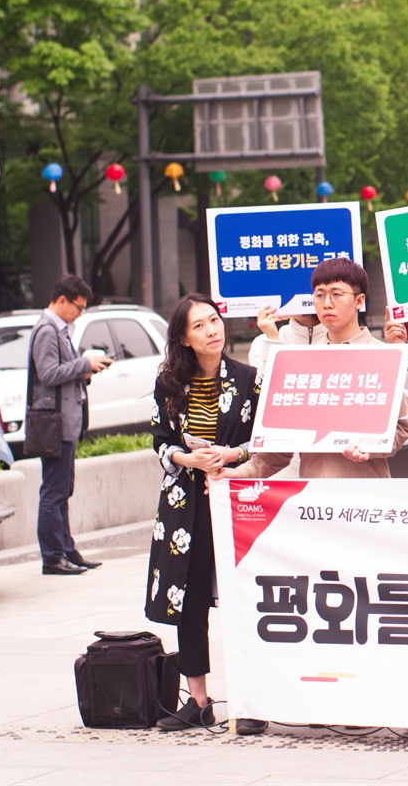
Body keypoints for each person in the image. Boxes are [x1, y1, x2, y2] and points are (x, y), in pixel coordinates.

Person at [146, 293, 265, 734]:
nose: (211, 330)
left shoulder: (250, 379)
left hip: (237, 499)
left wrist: (232, 453)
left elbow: (269, 439)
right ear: (183, 337)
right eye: (198, 326)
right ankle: (198, 702)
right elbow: (159, 440)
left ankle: (251, 701)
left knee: (244, 599)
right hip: (183, 507)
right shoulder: (169, 384)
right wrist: (185, 459)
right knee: (190, 601)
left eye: (213, 320)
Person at [220, 258, 408, 481]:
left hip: (365, 499)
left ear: (359, 301)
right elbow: (279, 448)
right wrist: (237, 473)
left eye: (336, 294)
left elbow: (401, 429)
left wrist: (368, 448)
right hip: (311, 502)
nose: (326, 303)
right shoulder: (303, 361)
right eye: (319, 295)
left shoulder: (386, 357)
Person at [28, 274, 112, 576]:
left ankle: (66, 550)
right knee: (54, 492)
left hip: (63, 422)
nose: (79, 313)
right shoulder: (47, 331)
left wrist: (84, 371)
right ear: (61, 300)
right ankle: (53, 557)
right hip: (54, 424)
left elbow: (58, 374)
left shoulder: (57, 329)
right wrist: (84, 364)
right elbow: (48, 374)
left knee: (62, 490)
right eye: (78, 307)